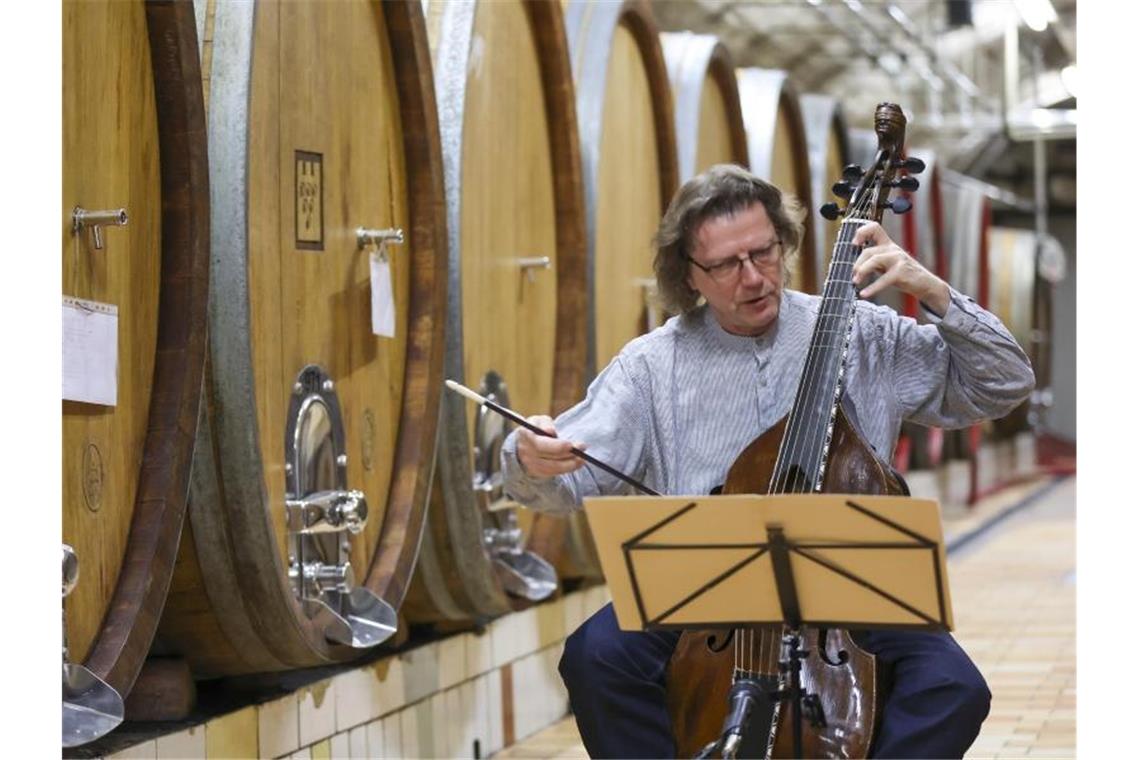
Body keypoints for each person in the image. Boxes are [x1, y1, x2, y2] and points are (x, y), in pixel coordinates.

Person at [501, 164, 1035, 758]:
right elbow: (559, 482)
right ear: (690, 275)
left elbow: (1005, 383)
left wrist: (932, 290)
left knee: (954, 688)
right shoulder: (651, 366)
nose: (754, 277)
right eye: (728, 265)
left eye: (765, 252)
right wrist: (529, 456)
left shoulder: (862, 332)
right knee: (595, 656)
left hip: (851, 591)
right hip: (706, 595)